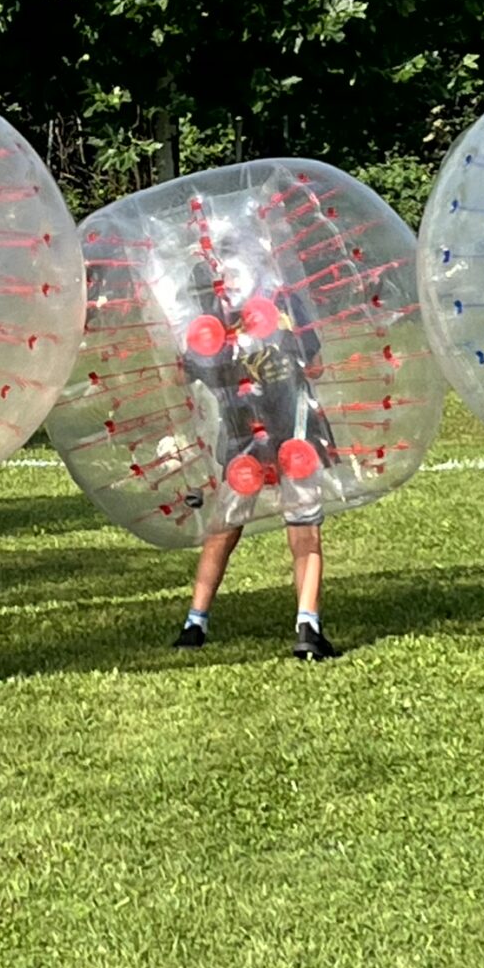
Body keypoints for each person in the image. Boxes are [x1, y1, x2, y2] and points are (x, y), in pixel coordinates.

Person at [172, 242, 341, 662]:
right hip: (296, 430)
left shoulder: (209, 316)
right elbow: (314, 364)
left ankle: (196, 622)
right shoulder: (284, 301)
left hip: (242, 432)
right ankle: (307, 626)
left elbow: (189, 372)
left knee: (223, 529)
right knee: (305, 531)